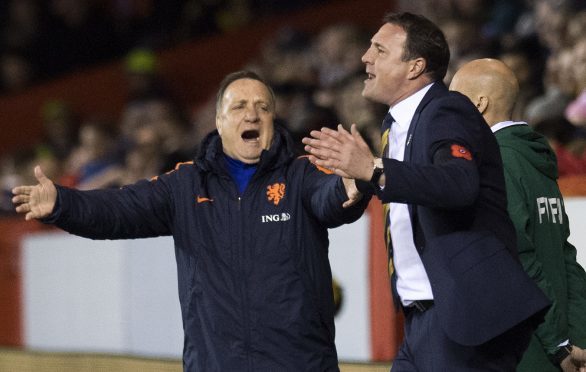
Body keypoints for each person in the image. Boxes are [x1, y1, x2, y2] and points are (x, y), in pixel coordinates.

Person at [12, 70, 369, 371]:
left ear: (273, 121)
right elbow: (119, 210)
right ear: (218, 120)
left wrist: (351, 185)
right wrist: (63, 203)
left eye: (263, 107)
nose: (252, 115)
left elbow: (330, 197)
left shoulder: (300, 175)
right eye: (240, 106)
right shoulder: (185, 184)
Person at [302, 12, 550, 371]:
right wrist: (363, 179)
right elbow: (408, 182)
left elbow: (459, 184)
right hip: (423, 320)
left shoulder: (447, 109)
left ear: (415, 66)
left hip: (463, 320)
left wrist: (374, 168)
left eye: (379, 50)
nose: (364, 57)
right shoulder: (395, 125)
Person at [449, 58, 586, 372]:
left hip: (522, 348)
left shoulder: (494, 162)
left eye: (454, 101)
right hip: (556, 344)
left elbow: (520, 260)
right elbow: (566, 259)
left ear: (479, 103)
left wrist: (557, 344)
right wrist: (578, 337)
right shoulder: (534, 160)